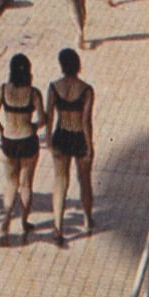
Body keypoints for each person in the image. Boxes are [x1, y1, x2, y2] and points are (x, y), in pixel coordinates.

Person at [0, 53, 45, 240]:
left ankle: (6, 218)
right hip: (28, 139)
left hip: (9, 139)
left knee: (11, 183)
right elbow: (43, 119)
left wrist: (1, 128)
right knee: (26, 184)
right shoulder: (33, 92)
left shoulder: (4, 90)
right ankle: (23, 221)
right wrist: (33, 127)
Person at [46, 49, 95, 243]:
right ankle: (87, 219)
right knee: (84, 181)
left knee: (60, 182)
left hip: (61, 135)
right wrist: (90, 146)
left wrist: (48, 138)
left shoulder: (54, 87)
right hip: (79, 137)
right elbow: (86, 121)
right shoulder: (86, 90)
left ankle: (58, 227)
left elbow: (50, 116)